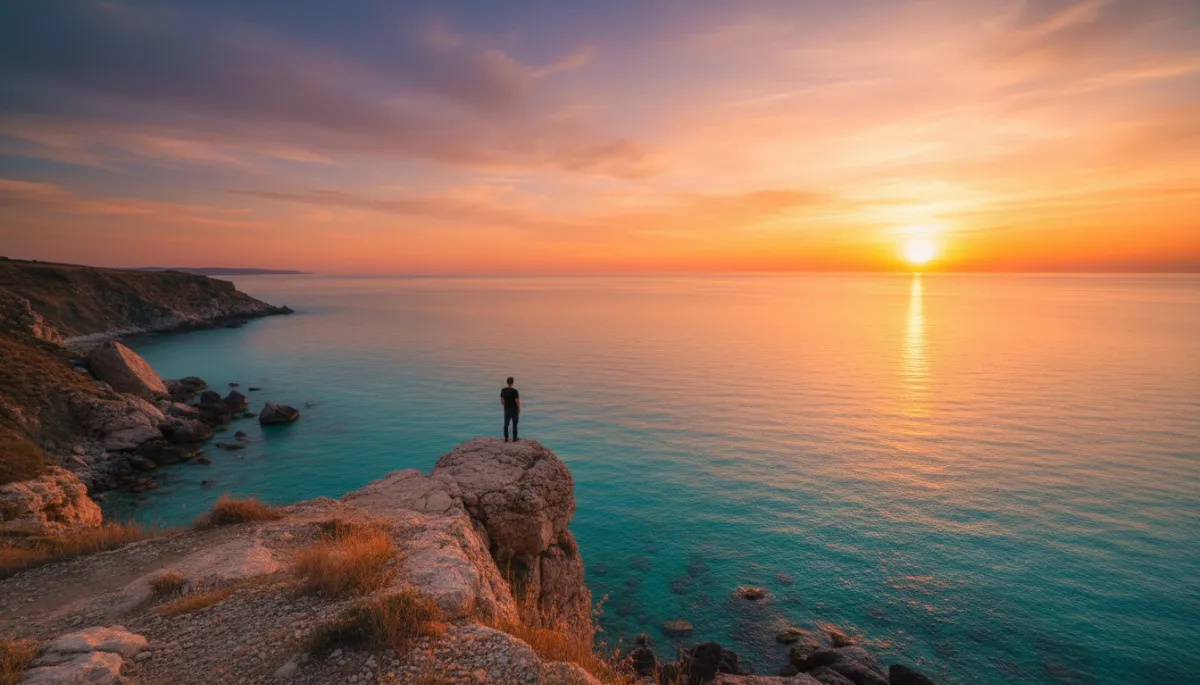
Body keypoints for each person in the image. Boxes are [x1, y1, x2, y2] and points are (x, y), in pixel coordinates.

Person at [500, 376, 520, 442]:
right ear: (512, 383)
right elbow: (517, 400)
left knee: (506, 424)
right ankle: (515, 438)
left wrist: (504, 405)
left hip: (507, 410)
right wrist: (519, 408)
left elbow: (502, 399)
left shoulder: (503, 390)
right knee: (515, 424)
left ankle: (506, 438)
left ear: (507, 382)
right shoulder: (515, 391)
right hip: (514, 410)